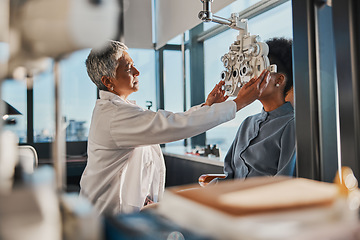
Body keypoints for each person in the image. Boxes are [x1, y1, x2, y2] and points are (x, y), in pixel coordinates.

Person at [79, 40, 271, 215]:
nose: (137, 72)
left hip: (126, 209)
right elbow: (172, 125)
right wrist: (239, 102)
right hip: (105, 215)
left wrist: (207, 107)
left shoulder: (122, 111)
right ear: (108, 82)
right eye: (129, 68)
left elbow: (167, 125)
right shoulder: (114, 116)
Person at [222, 37, 295, 180]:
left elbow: (284, 183)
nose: (251, 79)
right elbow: (228, 175)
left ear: (279, 80)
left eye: (259, 70)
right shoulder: (247, 124)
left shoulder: (291, 125)